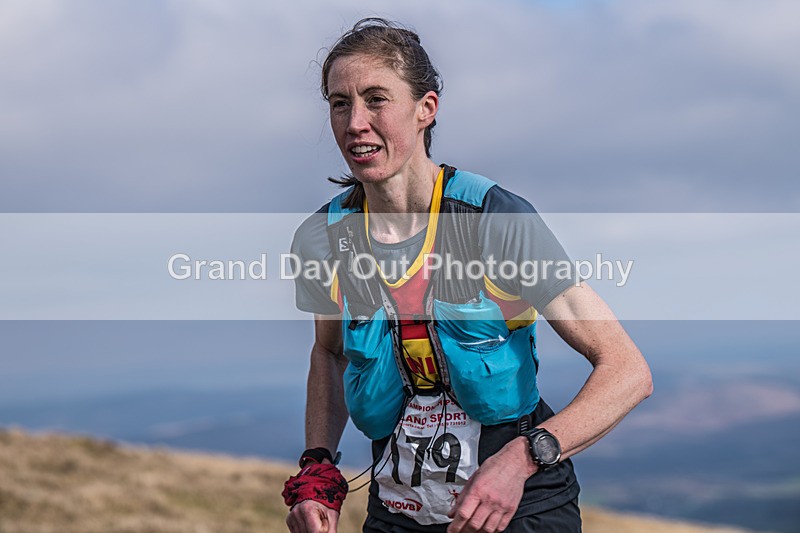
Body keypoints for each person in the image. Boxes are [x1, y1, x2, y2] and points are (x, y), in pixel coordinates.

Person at [283, 18, 652, 533]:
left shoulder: (493, 219)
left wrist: (525, 459)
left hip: (520, 508)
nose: (355, 122)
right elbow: (330, 353)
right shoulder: (323, 236)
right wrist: (318, 464)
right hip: (396, 515)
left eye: (376, 99)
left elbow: (628, 371)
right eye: (339, 103)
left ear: (426, 109)